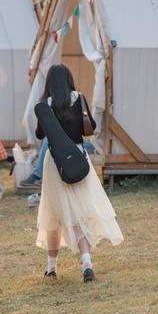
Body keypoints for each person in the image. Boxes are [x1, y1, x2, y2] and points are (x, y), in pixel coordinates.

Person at [35, 64, 123, 282]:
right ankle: (86, 263)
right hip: (79, 159)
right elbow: (90, 127)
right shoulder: (79, 99)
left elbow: (39, 134)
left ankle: (51, 268)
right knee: (81, 213)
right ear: (69, 79)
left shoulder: (45, 105)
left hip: (55, 162)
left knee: (54, 215)